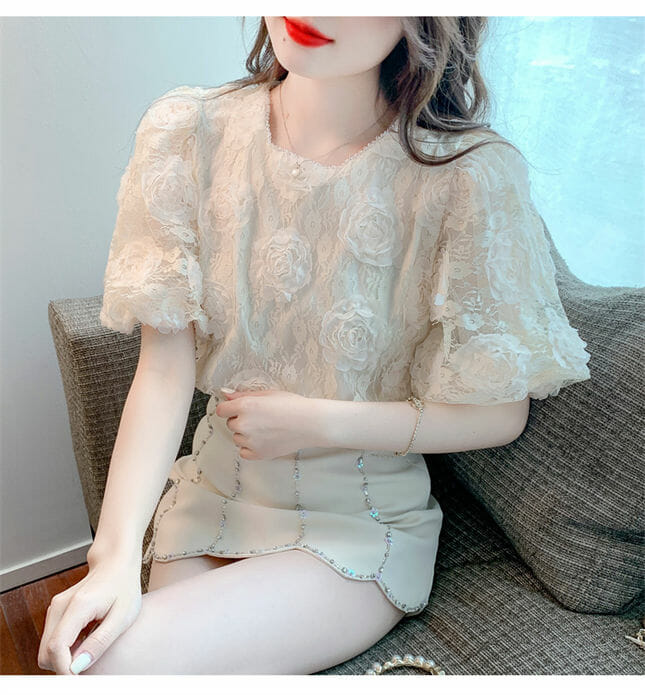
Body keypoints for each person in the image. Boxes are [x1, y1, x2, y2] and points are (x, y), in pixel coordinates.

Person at [38, 16, 591, 675]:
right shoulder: (187, 132)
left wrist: (312, 421)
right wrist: (112, 557)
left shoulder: (468, 176)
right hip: (212, 494)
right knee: (94, 656)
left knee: (113, 666)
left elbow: (500, 413)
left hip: (354, 523)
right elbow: (162, 371)